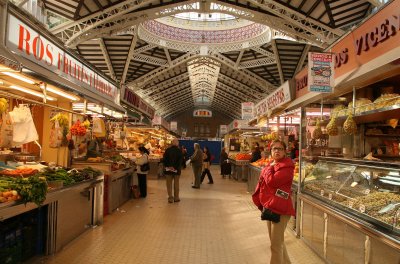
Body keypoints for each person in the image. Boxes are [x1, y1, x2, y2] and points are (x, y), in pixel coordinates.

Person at [252, 139, 295, 264]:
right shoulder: (272, 164)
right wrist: (269, 168)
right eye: (274, 148)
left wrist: (268, 169)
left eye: (280, 149)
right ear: (270, 151)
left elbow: (272, 182)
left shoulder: (287, 167)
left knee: (275, 246)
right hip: (271, 206)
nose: (277, 151)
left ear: (285, 152)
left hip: (281, 209)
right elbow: (263, 180)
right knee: (277, 242)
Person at [163, 138, 183, 203]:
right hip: (176, 171)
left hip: (168, 170)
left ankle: (170, 198)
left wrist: (169, 166)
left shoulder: (167, 150)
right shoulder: (179, 151)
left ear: (172, 143)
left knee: (169, 184)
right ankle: (176, 198)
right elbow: (180, 161)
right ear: (177, 144)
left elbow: (164, 160)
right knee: (176, 184)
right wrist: (175, 167)